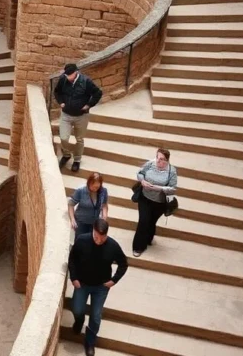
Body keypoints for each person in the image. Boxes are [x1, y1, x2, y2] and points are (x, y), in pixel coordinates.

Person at [67, 219, 128, 356]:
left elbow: (123, 264)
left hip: (101, 287)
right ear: (93, 231)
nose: (99, 241)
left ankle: (90, 342)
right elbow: (72, 259)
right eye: (96, 237)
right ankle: (79, 320)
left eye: (102, 238)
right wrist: (74, 278)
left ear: (106, 234)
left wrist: (114, 280)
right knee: (77, 308)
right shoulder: (82, 240)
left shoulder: (112, 246)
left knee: (95, 316)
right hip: (82, 283)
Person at [54, 64, 102, 172]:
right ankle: (66, 155)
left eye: (70, 75)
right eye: (67, 75)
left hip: (81, 116)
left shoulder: (86, 81)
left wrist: (88, 105)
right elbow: (57, 91)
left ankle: (77, 160)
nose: (68, 77)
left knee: (79, 139)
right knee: (63, 137)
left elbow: (98, 93)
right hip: (66, 115)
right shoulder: (63, 79)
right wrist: (61, 102)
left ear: (76, 72)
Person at [132, 148, 178, 257]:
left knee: (151, 221)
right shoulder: (150, 163)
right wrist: (142, 181)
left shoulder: (171, 171)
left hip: (159, 202)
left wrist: (159, 188)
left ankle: (148, 239)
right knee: (143, 220)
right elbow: (140, 173)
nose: (158, 161)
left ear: (167, 160)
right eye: (157, 157)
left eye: (161, 159)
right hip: (145, 198)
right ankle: (138, 247)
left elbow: (172, 188)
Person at [68, 172, 109, 238]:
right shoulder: (81, 191)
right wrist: (72, 219)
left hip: (94, 222)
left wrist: (104, 217)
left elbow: (104, 205)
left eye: (97, 187)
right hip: (81, 222)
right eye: (93, 187)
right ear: (89, 183)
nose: (95, 189)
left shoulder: (103, 192)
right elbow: (71, 204)